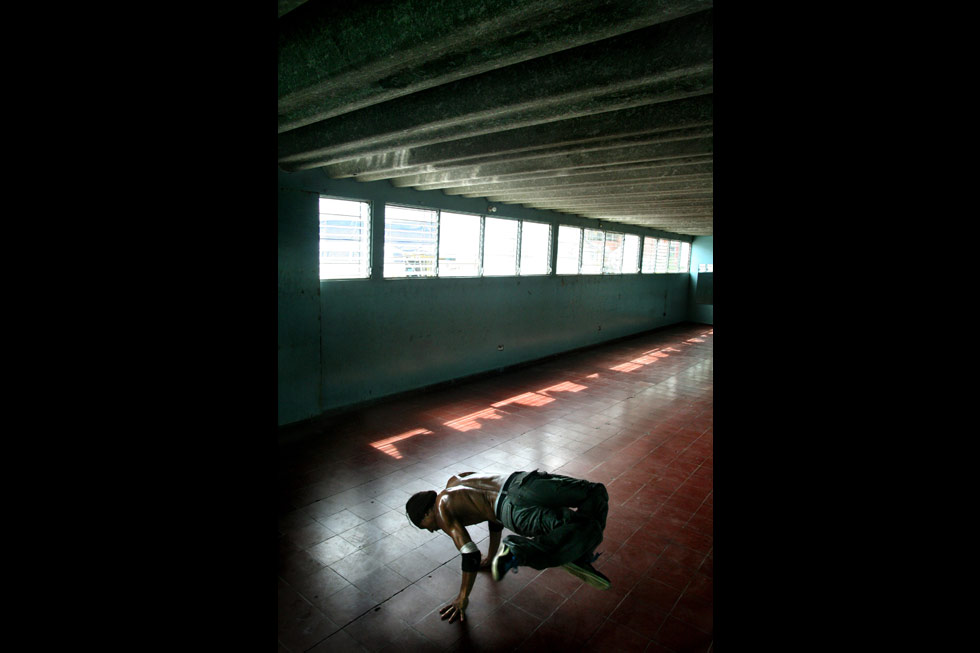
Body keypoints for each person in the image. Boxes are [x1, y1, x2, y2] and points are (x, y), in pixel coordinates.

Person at [405, 469, 610, 624]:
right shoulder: (457, 479)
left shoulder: (441, 511)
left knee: (577, 528)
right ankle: (577, 552)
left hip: (513, 510)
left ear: (425, 514)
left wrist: (462, 598)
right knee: (595, 492)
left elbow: (470, 555)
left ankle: (522, 550)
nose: (432, 530)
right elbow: (489, 514)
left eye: (426, 527)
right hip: (523, 482)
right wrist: (491, 555)